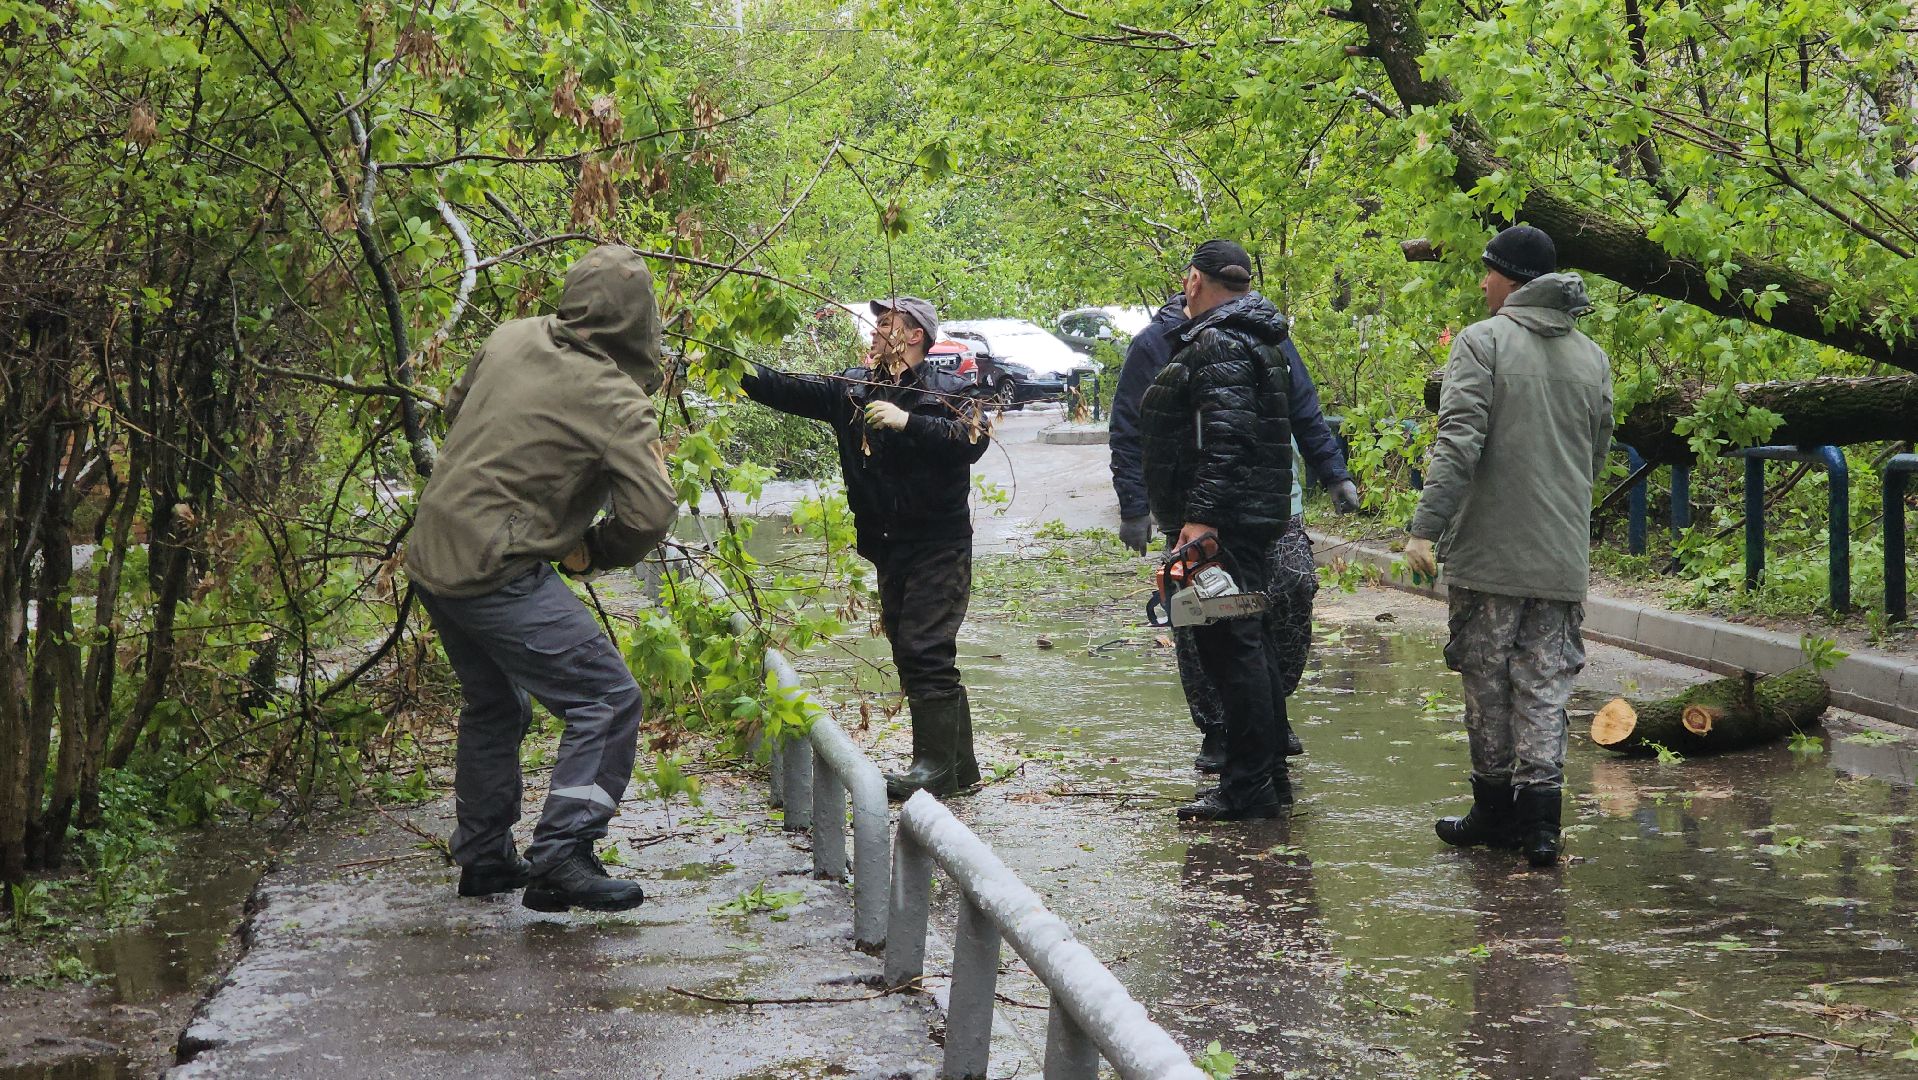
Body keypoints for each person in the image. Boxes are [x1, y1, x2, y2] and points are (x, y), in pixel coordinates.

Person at [407, 245, 678, 912]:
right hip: (494, 568)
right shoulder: (617, 400)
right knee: (606, 700)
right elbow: (651, 512)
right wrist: (590, 551)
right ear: (642, 323)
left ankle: (485, 859)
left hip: (433, 550)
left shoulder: (510, 336)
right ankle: (562, 853)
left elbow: (453, 408)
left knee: (496, 705)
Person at [1405, 225, 1614, 868]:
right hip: (1560, 557)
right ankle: (1542, 824)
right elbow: (1597, 454)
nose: (1482, 283)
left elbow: (1457, 444)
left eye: (1489, 273)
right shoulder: (1592, 357)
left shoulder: (1482, 342)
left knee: (1488, 681)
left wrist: (1424, 528)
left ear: (1512, 281)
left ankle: (1494, 811)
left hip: (1490, 557)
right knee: (1546, 684)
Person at [739, 297, 990, 799]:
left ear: (914, 335)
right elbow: (786, 388)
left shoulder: (952, 390)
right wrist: (732, 367)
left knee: (925, 647)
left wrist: (907, 421)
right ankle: (960, 767)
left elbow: (972, 439)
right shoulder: (853, 388)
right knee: (908, 644)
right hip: (886, 543)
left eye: (885, 324)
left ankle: (935, 767)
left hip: (939, 542)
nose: (873, 332)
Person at [1141, 240, 1298, 821]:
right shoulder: (1253, 337)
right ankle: (1266, 778)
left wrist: (1200, 521)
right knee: (1246, 646)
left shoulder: (1219, 340)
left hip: (1225, 526)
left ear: (1193, 281)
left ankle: (1248, 787)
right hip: (1243, 519)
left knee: (1233, 650)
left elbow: (1227, 440)